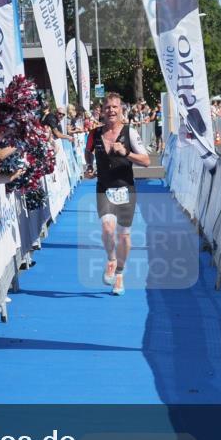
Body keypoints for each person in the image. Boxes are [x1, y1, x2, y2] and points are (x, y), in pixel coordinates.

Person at [84, 92, 150, 296]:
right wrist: (89, 166)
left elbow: (146, 161)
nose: (111, 110)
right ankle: (112, 260)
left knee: (124, 236)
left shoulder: (130, 133)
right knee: (106, 229)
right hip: (104, 187)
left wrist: (126, 153)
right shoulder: (94, 134)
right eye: (107, 107)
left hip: (125, 188)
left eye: (115, 107)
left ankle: (120, 274)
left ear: (121, 110)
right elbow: (88, 152)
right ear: (102, 111)